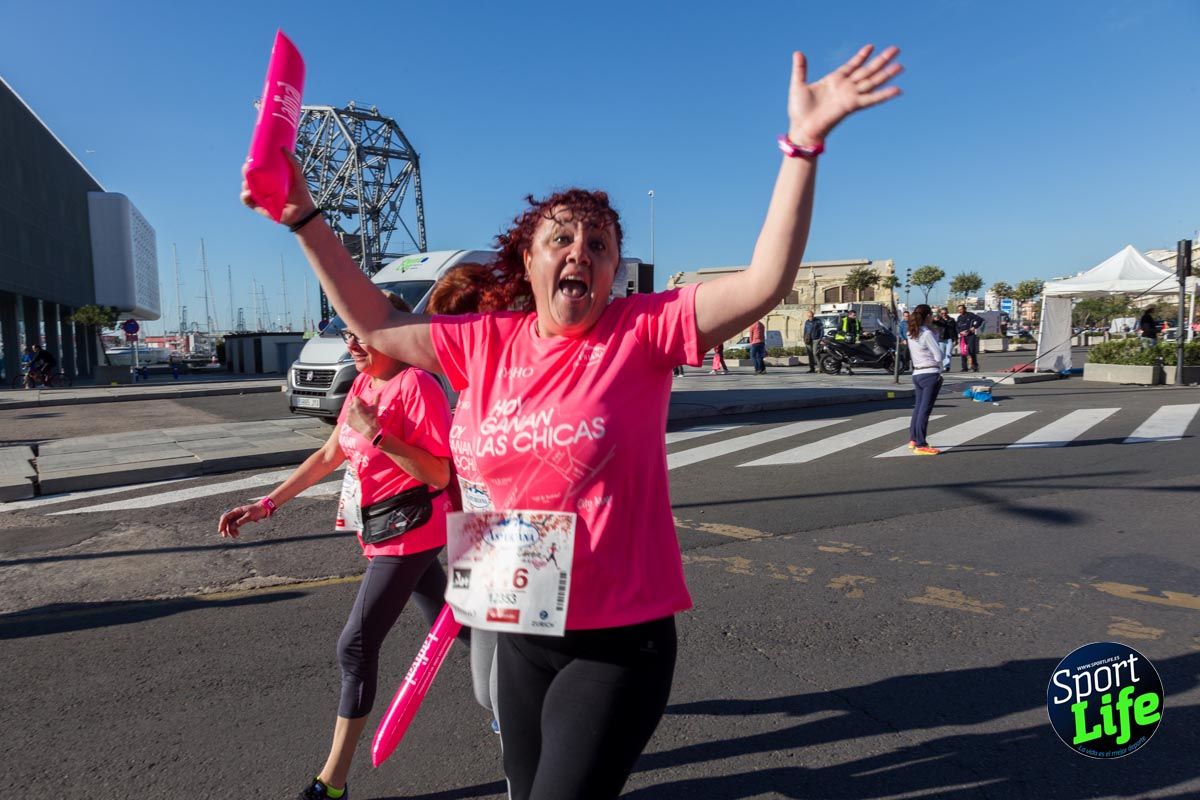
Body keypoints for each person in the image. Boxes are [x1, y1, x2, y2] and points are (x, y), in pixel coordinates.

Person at [243, 43, 902, 800]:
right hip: (518, 627)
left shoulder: (642, 331)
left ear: (616, 268)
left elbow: (763, 284)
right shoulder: (483, 344)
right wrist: (301, 215)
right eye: (560, 238)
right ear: (528, 260)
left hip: (617, 643)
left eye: (598, 242)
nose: (579, 251)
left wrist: (802, 146)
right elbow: (380, 323)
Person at [217, 292, 456, 800]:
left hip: (410, 531)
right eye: (345, 333)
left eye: (360, 332)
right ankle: (524, 693)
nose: (350, 343)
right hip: (382, 527)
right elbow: (329, 454)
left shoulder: (418, 386)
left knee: (356, 645)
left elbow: (439, 471)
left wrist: (382, 437)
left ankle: (332, 784)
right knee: (455, 624)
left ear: (393, 332)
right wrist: (268, 503)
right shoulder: (363, 385)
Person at [905, 304, 943, 455]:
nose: (933, 317)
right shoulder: (926, 333)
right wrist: (940, 369)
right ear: (927, 316)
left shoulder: (911, 332)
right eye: (931, 315)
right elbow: (938, 354)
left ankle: (913, 439)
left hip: (917, 373)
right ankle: (921, 444)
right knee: (925, 410)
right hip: (930, 372)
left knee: (918, 408)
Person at [955, 304, 984, 372]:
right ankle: (964, 368)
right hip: (963, 337)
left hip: (970, 336)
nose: (960, 311)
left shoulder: (970, 315)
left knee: (971, 351)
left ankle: (974, 366)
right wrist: (960, 332)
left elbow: (980, 320)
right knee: (963, 352)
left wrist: (974, 327)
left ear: (965, 309)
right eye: (959, 310)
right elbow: (957, 327)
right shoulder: (959, 317)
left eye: (961, 309)